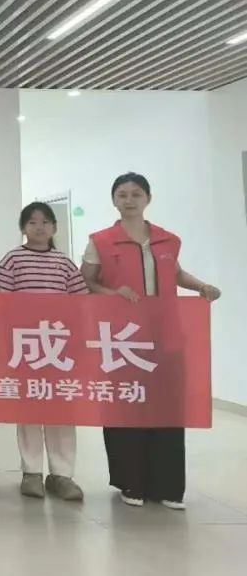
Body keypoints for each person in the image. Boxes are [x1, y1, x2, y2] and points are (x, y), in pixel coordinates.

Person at [81, 172, 221, 510]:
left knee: (167, 407)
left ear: (148, 199)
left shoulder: (167, 240)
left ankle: (168, 485)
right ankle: (131, 481)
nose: (129, 200)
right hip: (123, 339)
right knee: (127, 405)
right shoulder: (100, 241)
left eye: (136, 194)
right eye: (122, 194)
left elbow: (176, 274)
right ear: (114, 200)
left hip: (166, 335)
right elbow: (86, 282)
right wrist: (113, 293)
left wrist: (201, 286)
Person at [0, 202, 87, 502]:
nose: (39, 227)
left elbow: (81, 302)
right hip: (25, 345)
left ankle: (62, 474)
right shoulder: (12, 260)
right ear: (23, 228)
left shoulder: (64, 263)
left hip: (59, 346)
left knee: (61, 409)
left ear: (54, 228)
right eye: (32, 222)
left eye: (45, 222)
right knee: (30, 408)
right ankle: (31, 472)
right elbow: (2, 303)